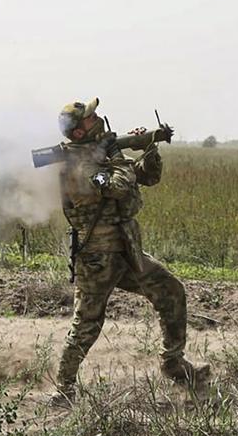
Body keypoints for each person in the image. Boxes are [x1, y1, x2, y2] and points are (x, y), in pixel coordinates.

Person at [53, 98, 209, 404]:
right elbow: (119, 185)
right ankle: (63, 390)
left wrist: (149, 147)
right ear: (78, 132)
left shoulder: (97, 155)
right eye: (89, 118)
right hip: (97, 257)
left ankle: (174, 364)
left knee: (171, 291)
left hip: (124, 250)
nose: (96, 118)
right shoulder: (78, 166)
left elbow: (147, 177)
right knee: (87, 324)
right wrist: (117, 153)